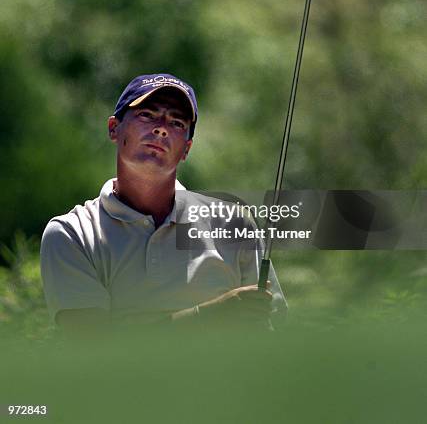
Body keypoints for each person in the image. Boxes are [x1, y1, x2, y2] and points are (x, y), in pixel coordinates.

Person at [40, 73, 286, 332]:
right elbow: (93, 350)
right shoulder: (72, 233)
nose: (161, 128)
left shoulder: (235, 223)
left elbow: (276, 336)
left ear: (186, 149)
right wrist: (210, 315)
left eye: (177, 123)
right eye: (147, 115)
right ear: (114, 128)